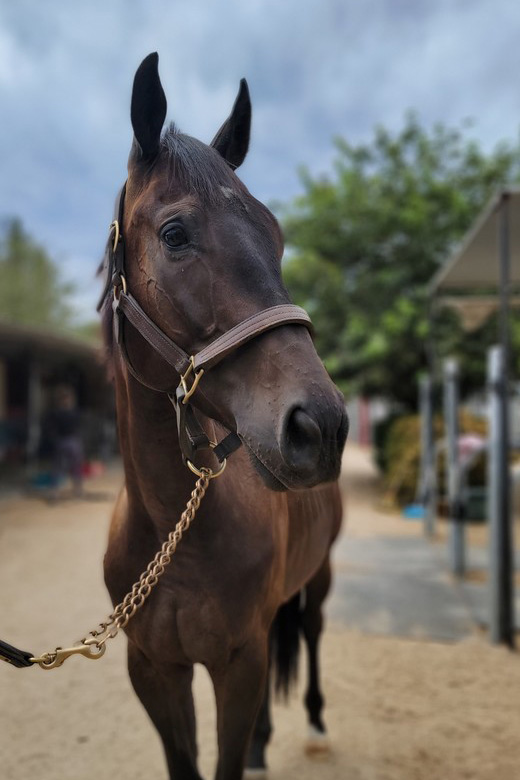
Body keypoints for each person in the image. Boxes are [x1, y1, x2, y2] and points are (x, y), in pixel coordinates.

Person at [47, 385, 84, 499]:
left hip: (72, 440)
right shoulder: (56, 413)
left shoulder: (74, 412)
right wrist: (54, 439)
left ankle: (77, 488)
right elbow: (51, 428)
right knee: (58, 466)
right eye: (64, 398)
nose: (67, 401)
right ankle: (55, 491)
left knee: (76, 465)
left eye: (68, 398)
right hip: (62, 440)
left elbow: (78, 426)